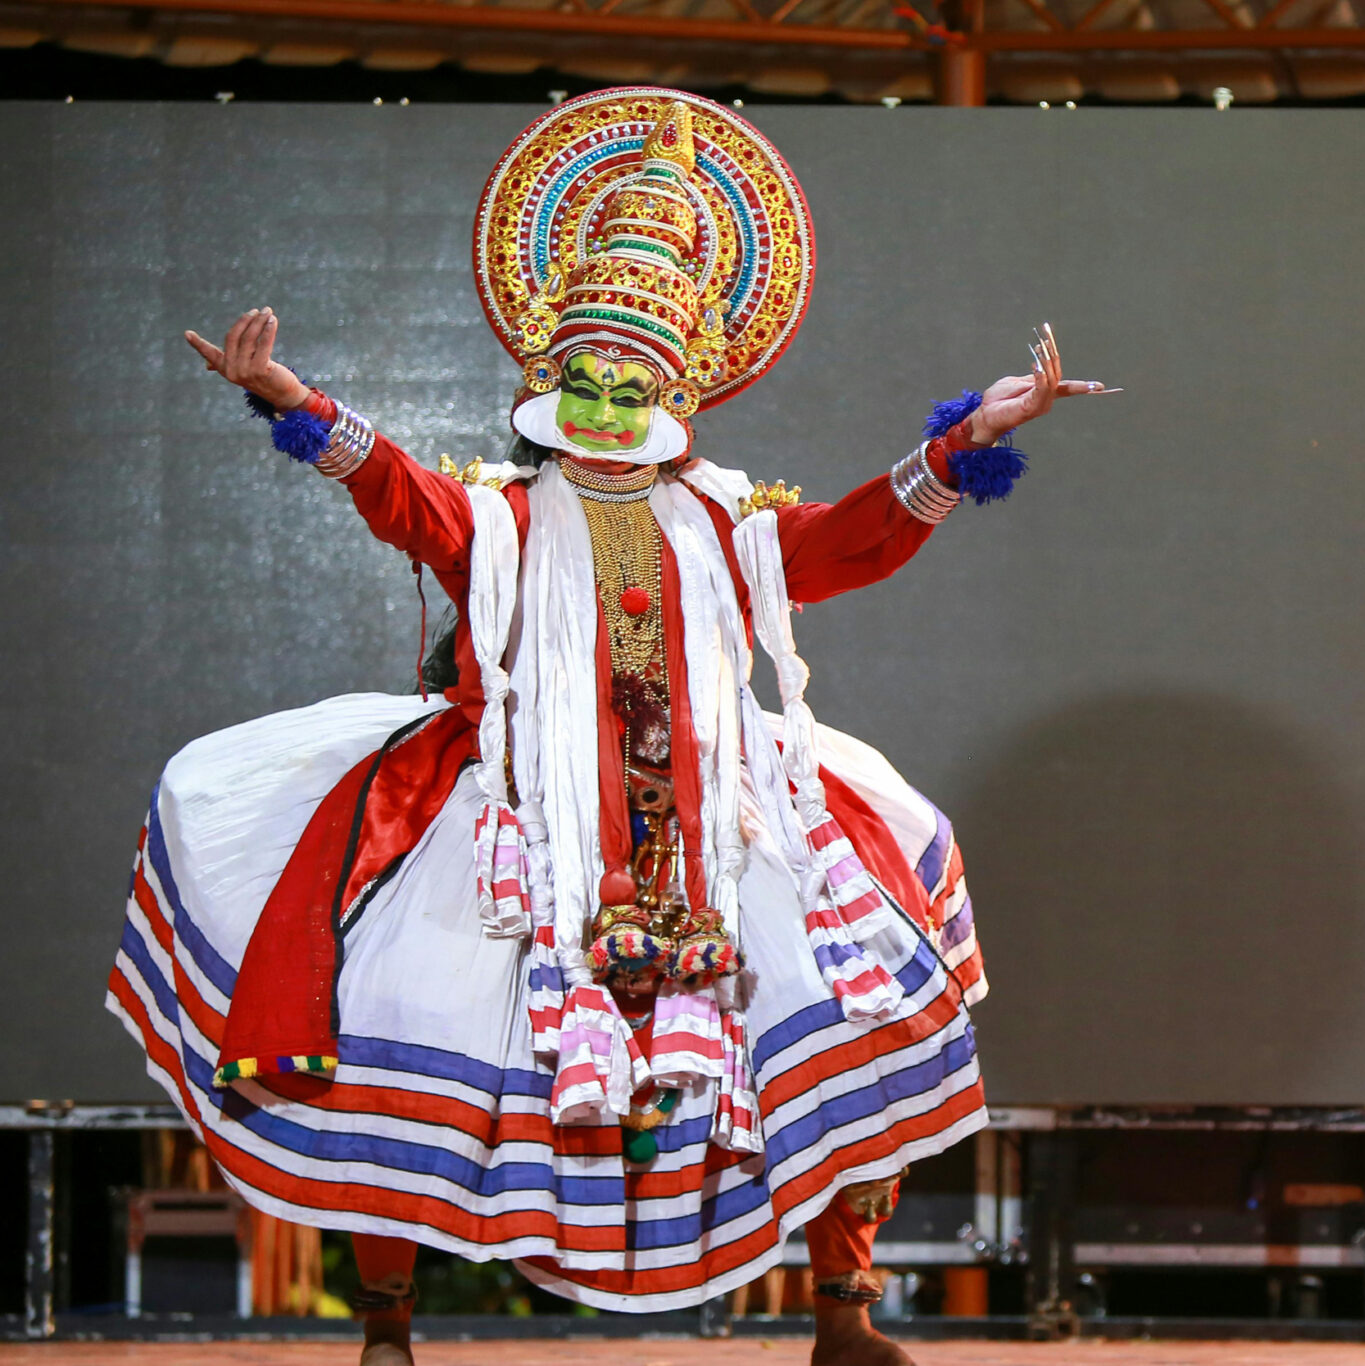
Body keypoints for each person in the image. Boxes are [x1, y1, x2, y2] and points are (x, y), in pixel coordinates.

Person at [106, 88, 1106, 1366]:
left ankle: (842, 1314)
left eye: (627, 382)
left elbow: (855, 538)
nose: (601, 403)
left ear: (673, 387)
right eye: (580, 378)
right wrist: (290, 400)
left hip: (718, 817)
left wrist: (973, 435)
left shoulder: (728, 522)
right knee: (399, 1007)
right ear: (546, 377)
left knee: (851, 1005)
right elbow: (399, 494)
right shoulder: (504, 518)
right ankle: (387, 1326)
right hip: (523, 814)